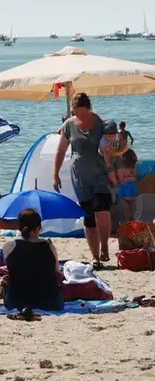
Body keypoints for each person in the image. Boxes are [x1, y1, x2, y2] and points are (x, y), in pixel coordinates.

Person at [53, 92, 115, 266]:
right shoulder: (69, 125)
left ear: (89, 108)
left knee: (102, 211)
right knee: (88, 217)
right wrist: (55, 174)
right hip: (79, 177)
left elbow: (115, 148)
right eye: (75, 112)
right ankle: (95, 257)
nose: (78, 115)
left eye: (81, 112)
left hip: (101, 174)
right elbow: (60, 151)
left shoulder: (103, 124)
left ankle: (104, 248)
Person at [0, 208, 63, 311]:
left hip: (16, 302)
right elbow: (56, 272)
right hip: (49, 303)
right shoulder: (49, 247)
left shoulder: (9, 246)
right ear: (38, 228)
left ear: (19, 227)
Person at [114, 149, 141, 223]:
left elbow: (133, 178)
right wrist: (129, 177)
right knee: (126, 215)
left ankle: (132, 229)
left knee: (133, 215)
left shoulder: (132, 168)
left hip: (133, 195)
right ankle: (126, 229)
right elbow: (121, 180)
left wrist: (127, 177)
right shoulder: (120, 168)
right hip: (123, 196)